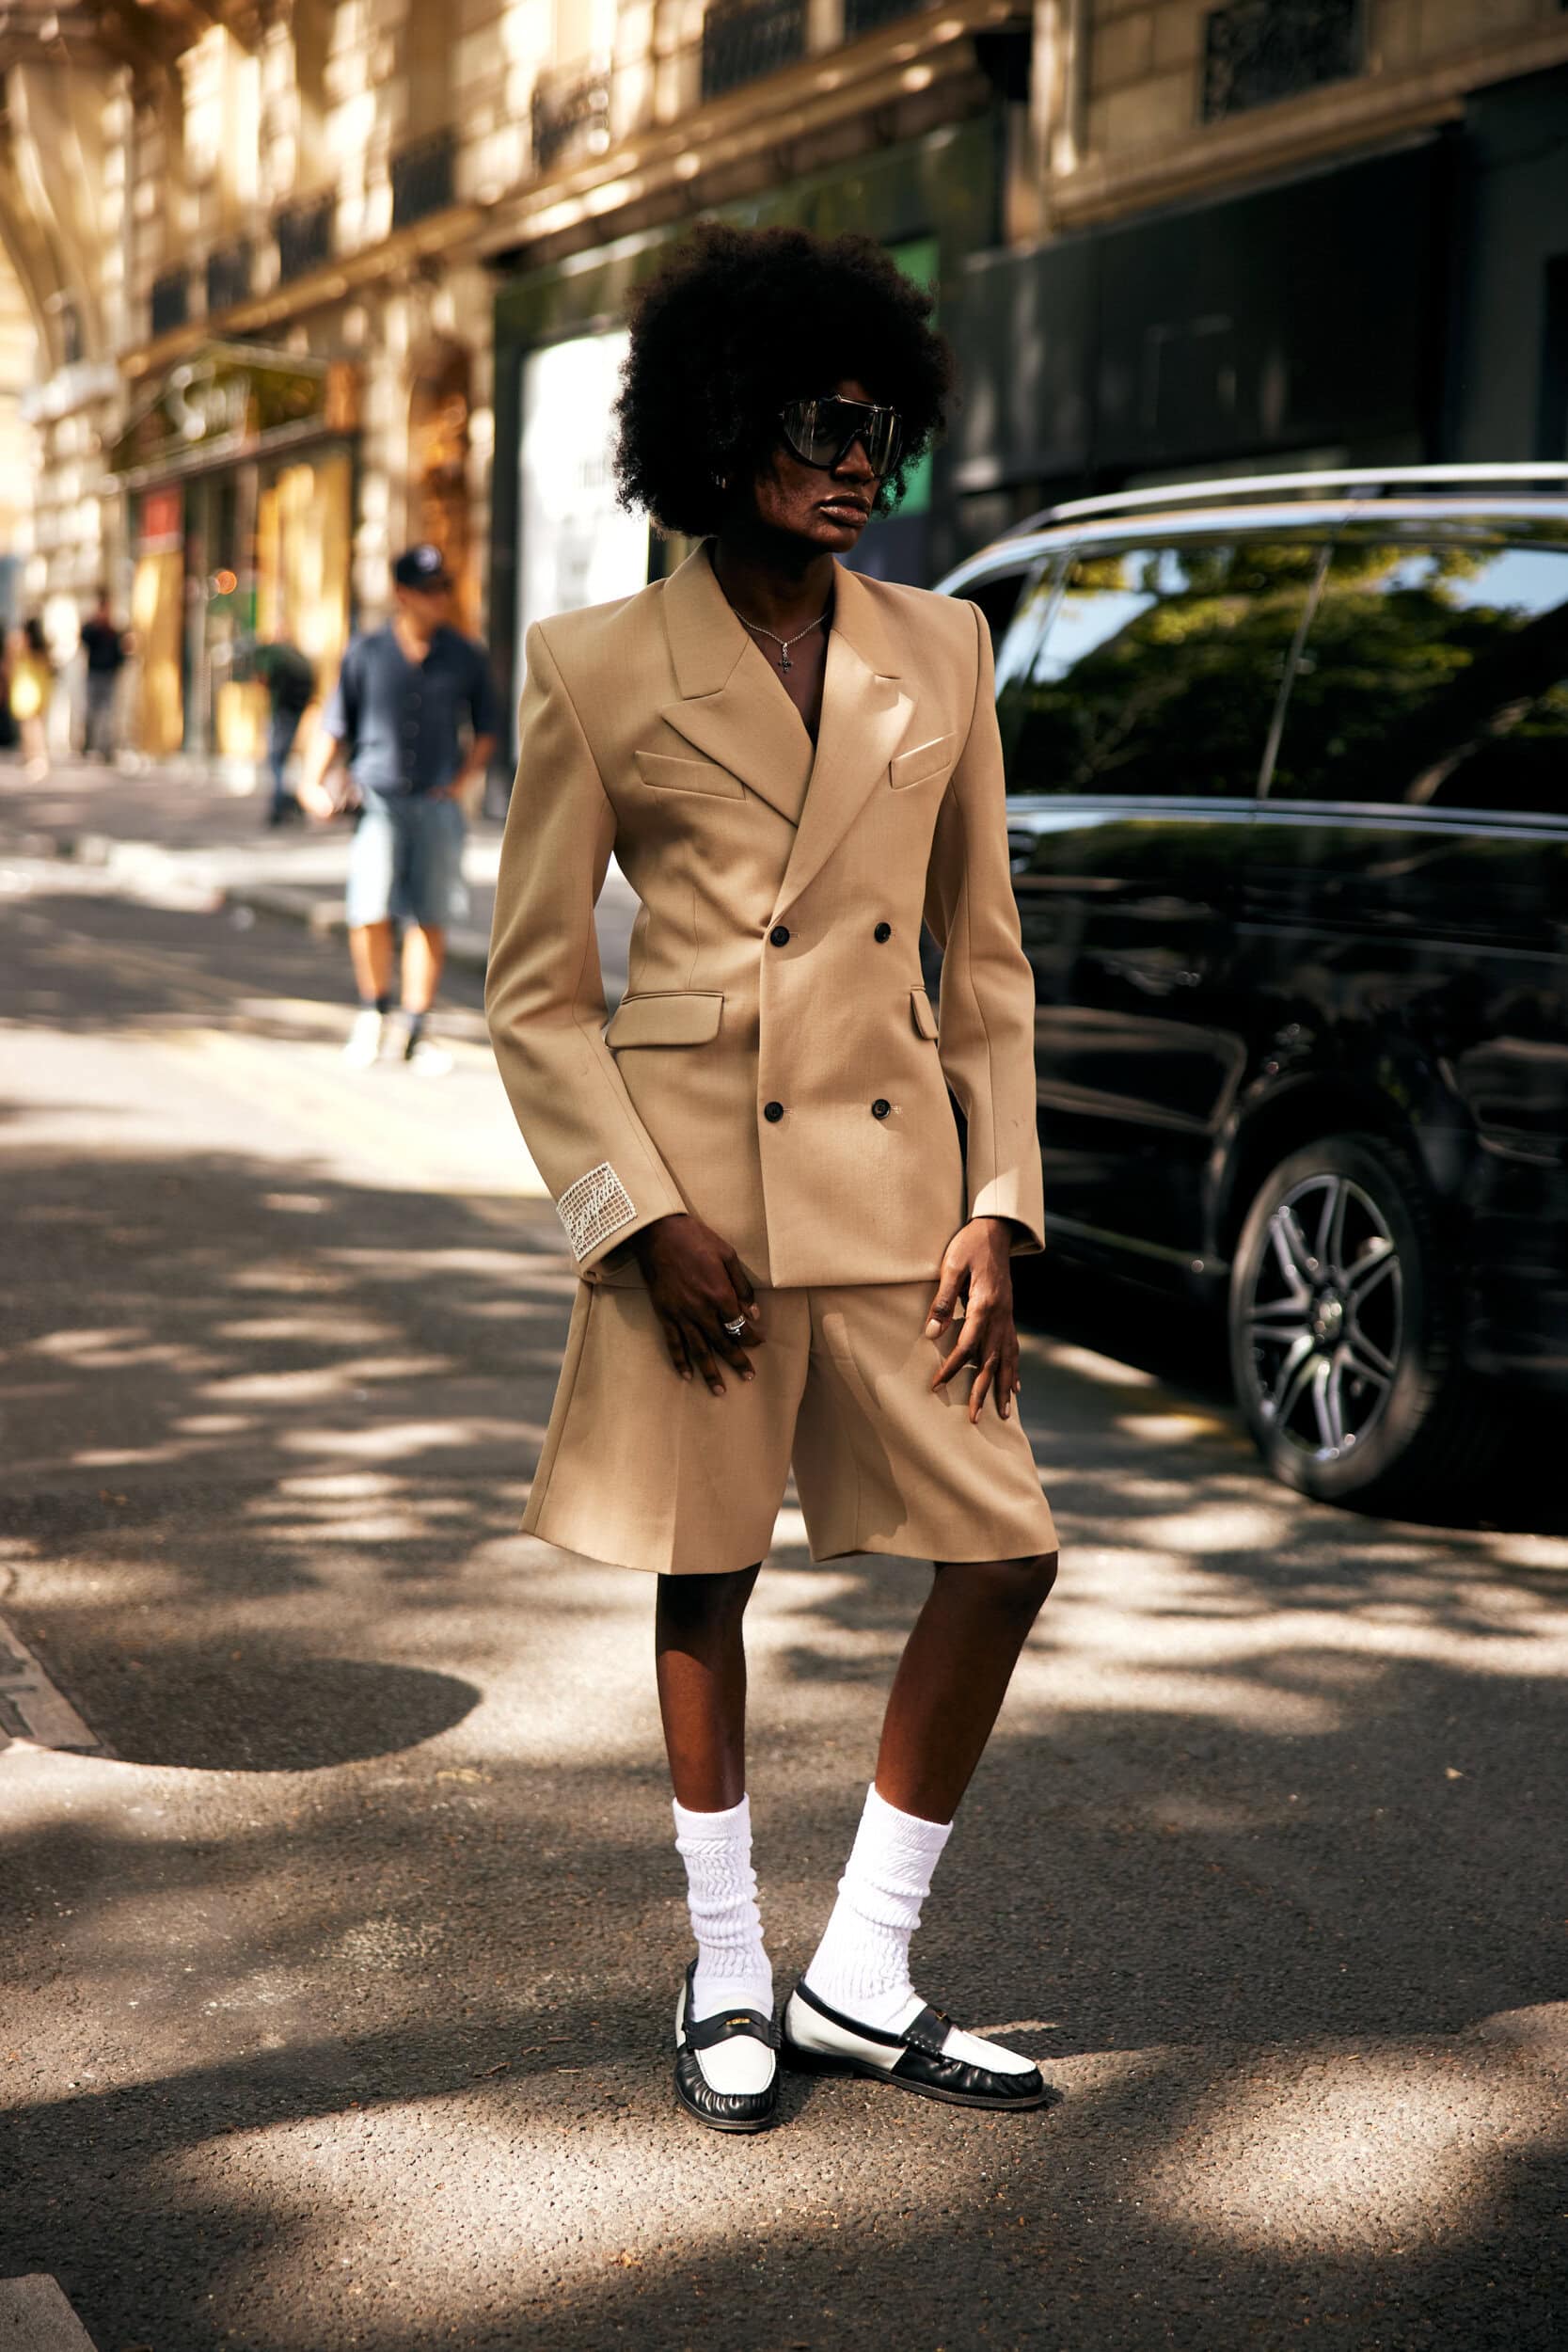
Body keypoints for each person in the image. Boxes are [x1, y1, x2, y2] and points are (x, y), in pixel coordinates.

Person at [485, 225, 1060, 2137]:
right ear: (721, 432)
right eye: (822, 424)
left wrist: (998, 1202)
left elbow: (984, 962)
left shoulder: (941, 645)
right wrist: (633, 1216)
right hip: (698, 1205)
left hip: (897, 1189)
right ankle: (728, 1963)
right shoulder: (593, 668)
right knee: (705, 1568)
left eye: (881, 430)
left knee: (1004, 1552)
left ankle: (860, 1971)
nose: (857, 464)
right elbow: (534, 993)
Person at [298, 545, 499, 1073]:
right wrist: (309, 782)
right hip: (378, 801)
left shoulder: (465, 655)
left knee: (431, 915)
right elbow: (334, 723)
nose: (440, 599)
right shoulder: (366, 651)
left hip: (436, 803)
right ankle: (373, 1013)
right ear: (402, 594)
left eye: (444, 588)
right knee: (368, 910)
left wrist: (460, 784)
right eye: (429, 590)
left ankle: (415, 1029)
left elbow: (488, 730)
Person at [252, 633, 316, 826]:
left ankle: (281, 804)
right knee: (282, 759)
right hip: (295, 710)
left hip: (281, 711)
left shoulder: (271, 656)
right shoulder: (295, 656)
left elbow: (263, 679)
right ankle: (286, 802)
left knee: (276, 760)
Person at [79, 590, 128, 761]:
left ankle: (106, 749)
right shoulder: (93, 628)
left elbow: (120, 654)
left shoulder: (113, 631)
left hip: (108, 675)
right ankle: (87, 745)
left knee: (108, 714)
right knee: (90, 712)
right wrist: (94, 624)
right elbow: (84, 639)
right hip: (94, 674)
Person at [8, 617, 54, 780]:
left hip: (26, 687)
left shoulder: (22, 645)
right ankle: (35, 756)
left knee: (29, 726)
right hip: (40, 686)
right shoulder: (43, 647)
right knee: (36, 724)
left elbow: (11, 659)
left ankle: (35, 757)